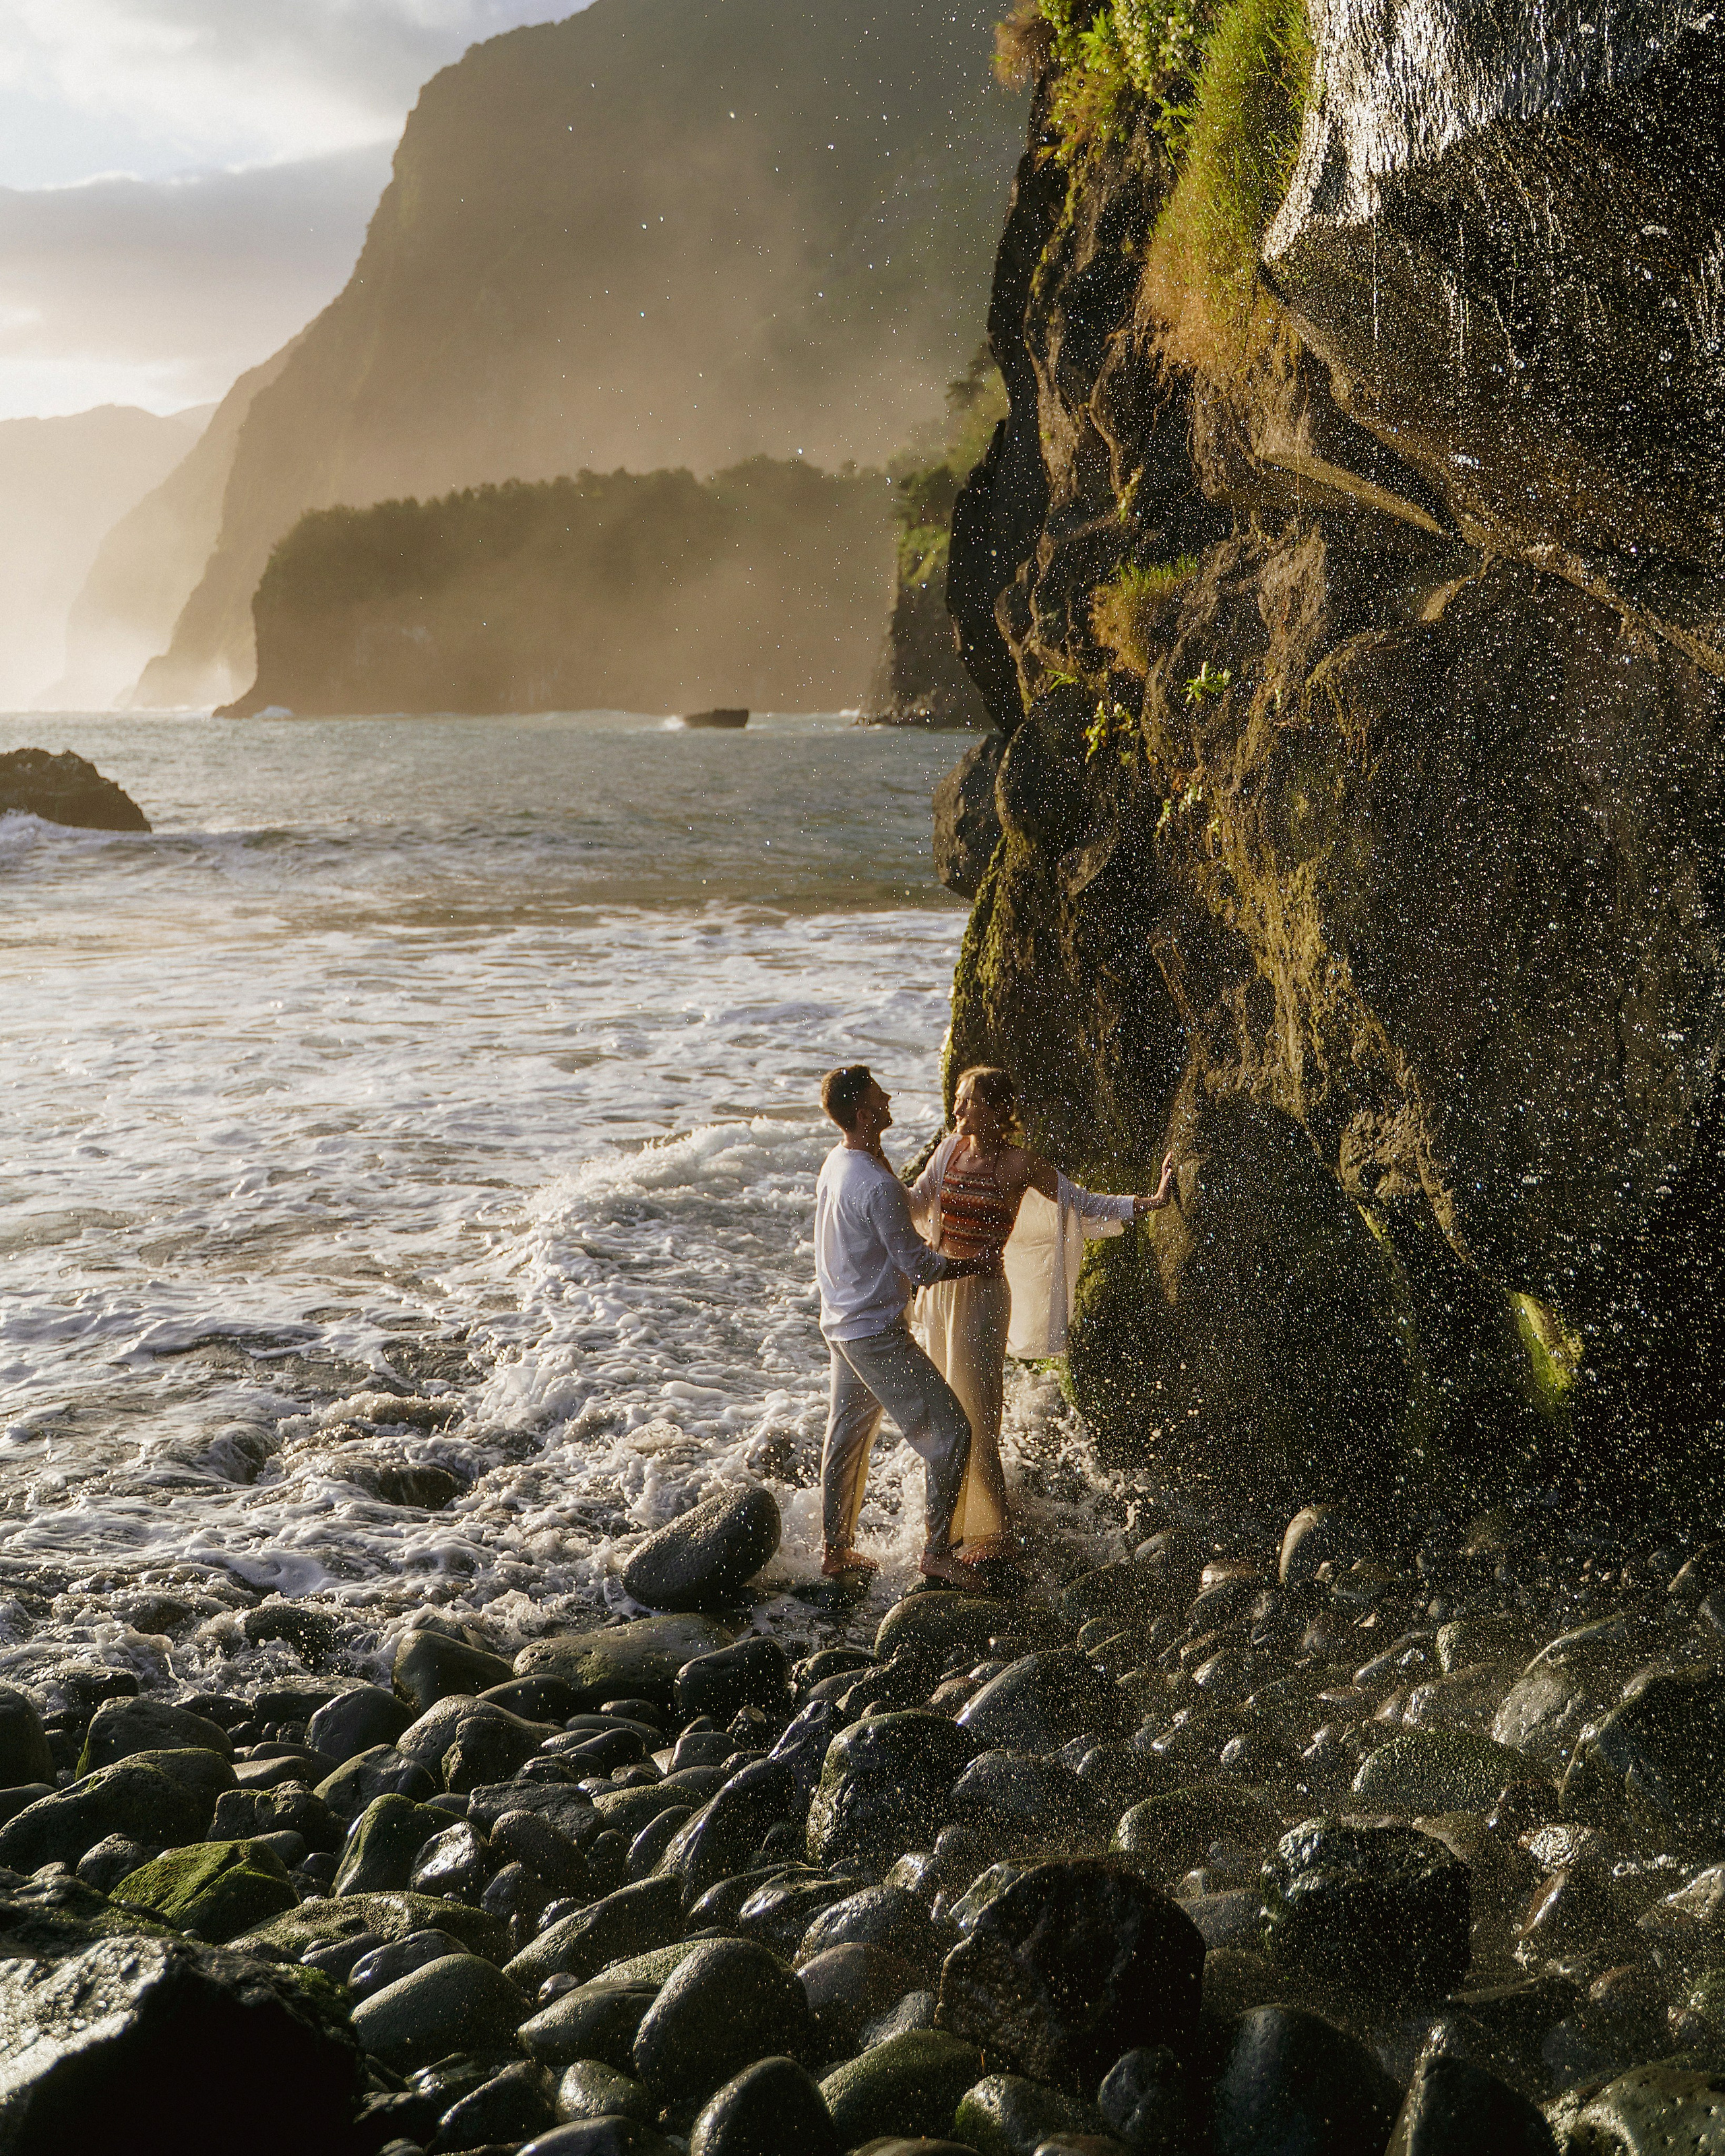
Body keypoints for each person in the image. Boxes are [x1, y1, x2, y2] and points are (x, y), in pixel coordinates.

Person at [908, 1064, 1175, 1568]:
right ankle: (947, 1525)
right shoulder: (948, 1151)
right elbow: (917, 1204)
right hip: (941, 1293)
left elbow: (1081, 1204)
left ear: (999, 1110)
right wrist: (866, 1170)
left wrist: (1153, 1201)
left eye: (969, 1101)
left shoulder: (1020, 1166)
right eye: (960, 1100)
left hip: (984, 1298)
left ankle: (993, 1529)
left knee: (978, 1413)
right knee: (944, 1410)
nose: (958, 1109)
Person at [813, 1063, 998, 1586]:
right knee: (952, 1433)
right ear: (867, 1112)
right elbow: (921, 1266)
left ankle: (836, 1550)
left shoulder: (841, 1161)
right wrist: (976, 1263)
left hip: (839, 1321)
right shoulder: (877, 1185)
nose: (889, 1099)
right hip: (874, 1332)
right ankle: (938, 1553)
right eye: (881, 1096)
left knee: (847, 1436)